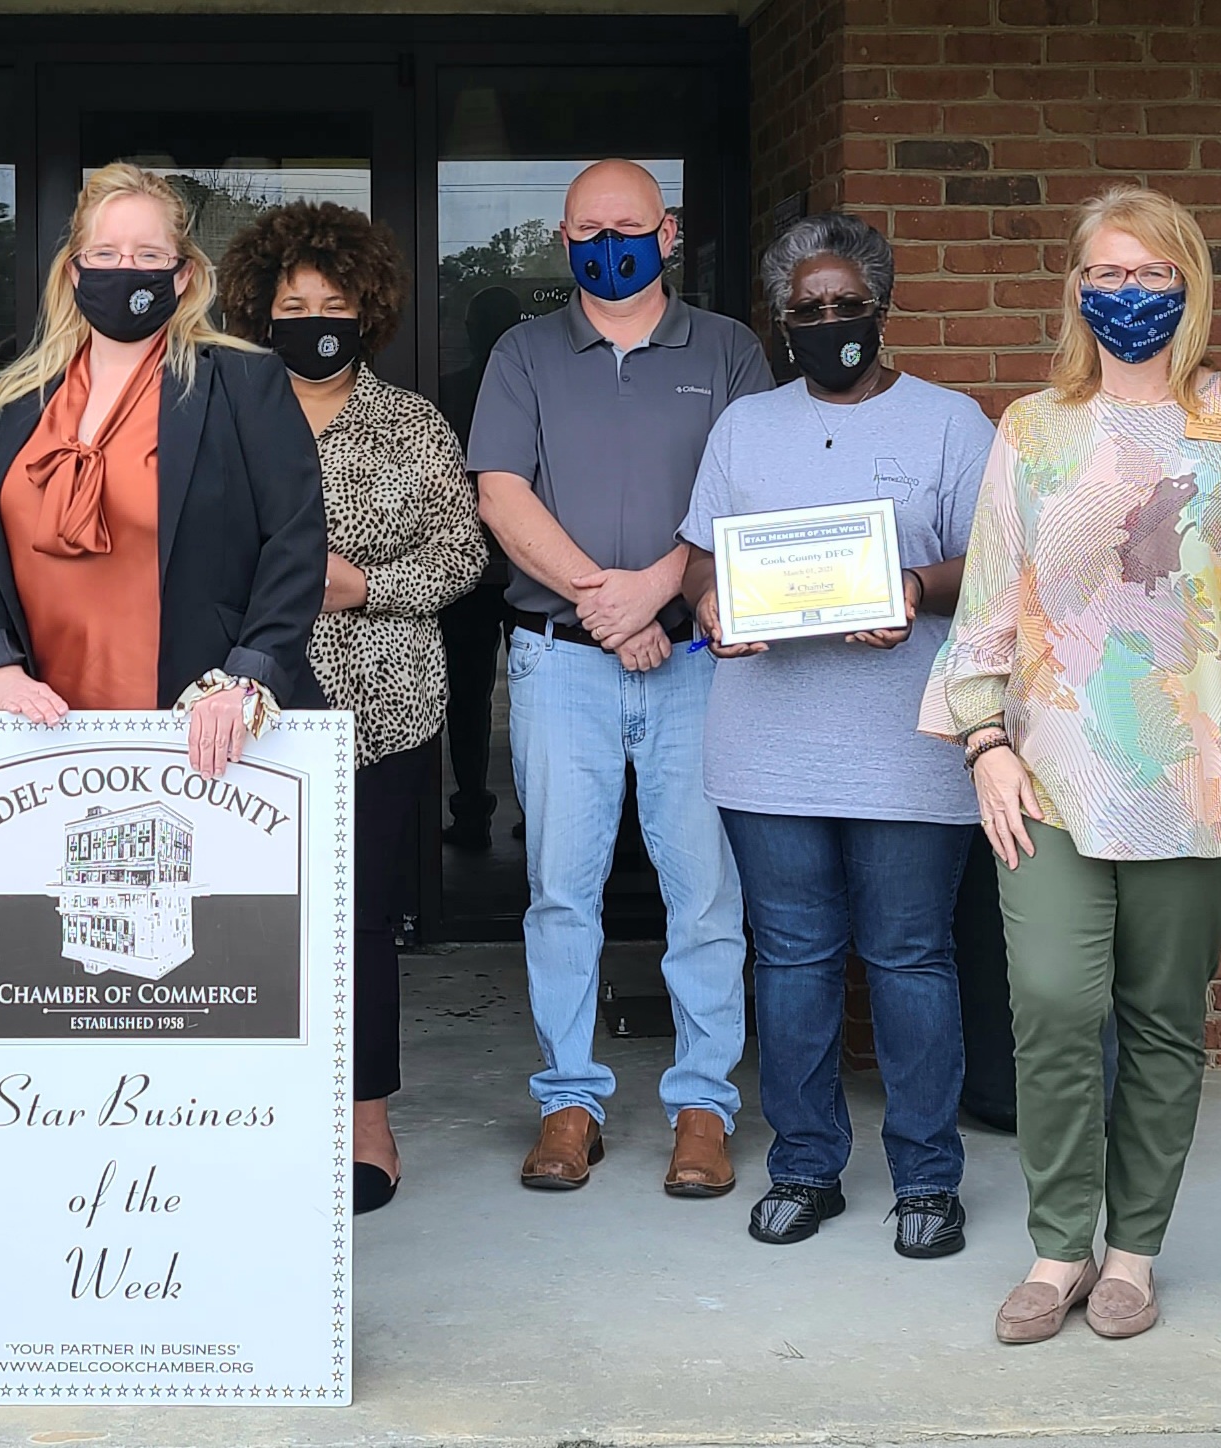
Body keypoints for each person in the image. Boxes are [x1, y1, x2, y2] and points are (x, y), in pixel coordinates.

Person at [921, 185, 1221, 1345]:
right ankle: (1058, 1244)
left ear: (1189, 286)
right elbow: (987, 599)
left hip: (1198, 773)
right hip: (1051, 772)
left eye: (1152, 273)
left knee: (1161, 1018)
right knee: (1055, 1003)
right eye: (1106, 273)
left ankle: (1130, 1254)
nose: (1128, 293)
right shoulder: (1032, 427)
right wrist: (981, 743)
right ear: (1074, 288)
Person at [677, 213, 993, 1256]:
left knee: (908, 958)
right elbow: (699, 558)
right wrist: (711, 602)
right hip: (765, 748)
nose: (827, 321)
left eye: (845, 303)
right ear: (780, 320)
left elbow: (998, 564)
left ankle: (926, 1179)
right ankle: (804, 1165)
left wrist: (912, 585)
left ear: (880, 305)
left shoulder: (949, 423)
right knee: (792, 961)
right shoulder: (744, 427)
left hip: (908, 744)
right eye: (805, 308)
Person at [470, 159, 772, 1196]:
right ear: (562, 241)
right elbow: (501, 494)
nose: (608, 246)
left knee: (706, 895)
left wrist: (654, 592)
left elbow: (747, 497)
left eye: (627, 228)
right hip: (560, 661)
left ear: (667, 232)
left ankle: (702, 1107)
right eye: (587, 231)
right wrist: (609, 604)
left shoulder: (727, 349)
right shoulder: (522, 353)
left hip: (693, 664)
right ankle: (567, 1102)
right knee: (560, 892)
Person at [219, 202, 486, 1213]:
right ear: (259, 310)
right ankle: (248, 1117)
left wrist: (363, 586)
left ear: (365, 309)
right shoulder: (221, 412)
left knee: (360, 921)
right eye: (292, 307)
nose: (313, 322)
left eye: (331, 304)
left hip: (383, 706)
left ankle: (367, 1122)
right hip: (241, 710)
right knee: (243, 922)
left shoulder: (410, 422)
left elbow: (461, 553)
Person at [0, 162, 324, 773]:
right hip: (38, 728)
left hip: (205, 728)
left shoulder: (244, 382)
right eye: (105, 254)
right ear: (74, 270)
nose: (126, 270)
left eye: (149, 255)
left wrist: (248, 676)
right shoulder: (17, 399)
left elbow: (295, 540)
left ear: (184, 274)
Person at [438, 285, 524, 851]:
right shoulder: (534, 391)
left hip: (475, 567)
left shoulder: (447, 390)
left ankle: (471, 812)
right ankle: (535, 813)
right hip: (524, 564)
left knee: (467, 698)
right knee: (534, 697)